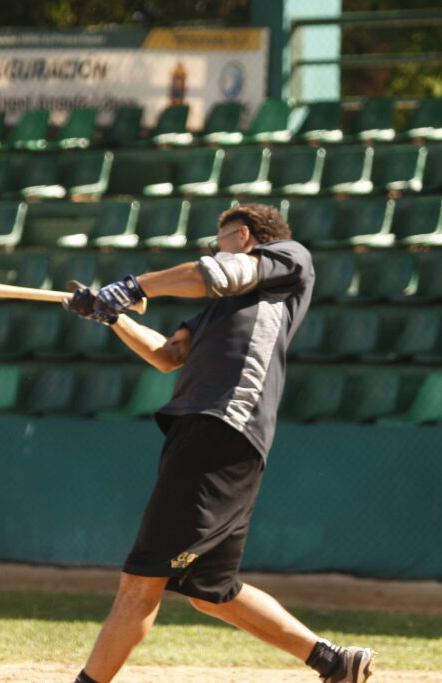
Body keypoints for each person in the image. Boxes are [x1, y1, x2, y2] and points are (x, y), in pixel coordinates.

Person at [65, 203, 376, 683]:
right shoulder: (220, 307)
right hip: (207, 431)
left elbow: (213, 273)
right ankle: (334, 662)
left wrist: (134, 286)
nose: (215, 248)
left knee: (140, 582)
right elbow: (168, 355)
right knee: (212, 588)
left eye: (221, 239)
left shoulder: (289, 258)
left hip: (221, 427)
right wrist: (110, 316)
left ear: (246, 235)